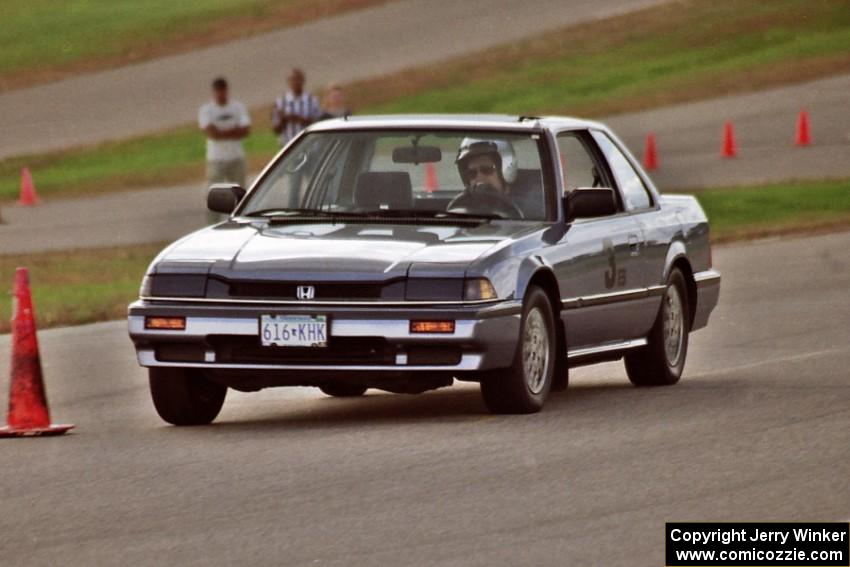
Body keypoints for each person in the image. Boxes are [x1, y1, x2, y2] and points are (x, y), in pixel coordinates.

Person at [198, 77, 251, 224]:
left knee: (240, 194)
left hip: (236, 157)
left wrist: (221, 132)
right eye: (218, 91)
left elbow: (245, 130)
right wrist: (233, 132)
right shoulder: (207, 110)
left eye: (223, 90)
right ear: (214, 92)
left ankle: (240, 222)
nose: (221, 94)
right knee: (214, 194)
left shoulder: (237, 107)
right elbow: (211, 133)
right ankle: (212, 224)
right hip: (216, 159)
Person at [452, 138, 544, 219]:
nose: (479, 178)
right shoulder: (462, 205)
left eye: (487, 170)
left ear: (506, 168)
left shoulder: (535, 208)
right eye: (471, 173)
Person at [271, 68, 321, 146]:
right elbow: (276, 130)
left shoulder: (312, 100)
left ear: (303, 81)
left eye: (298, 79)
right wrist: (284, 119)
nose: (295, 82)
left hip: (309, 143)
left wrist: (298, 119)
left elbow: (318, 123)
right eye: (292, 80)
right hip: (288, 145)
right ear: (288, 82)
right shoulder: (281, 102)